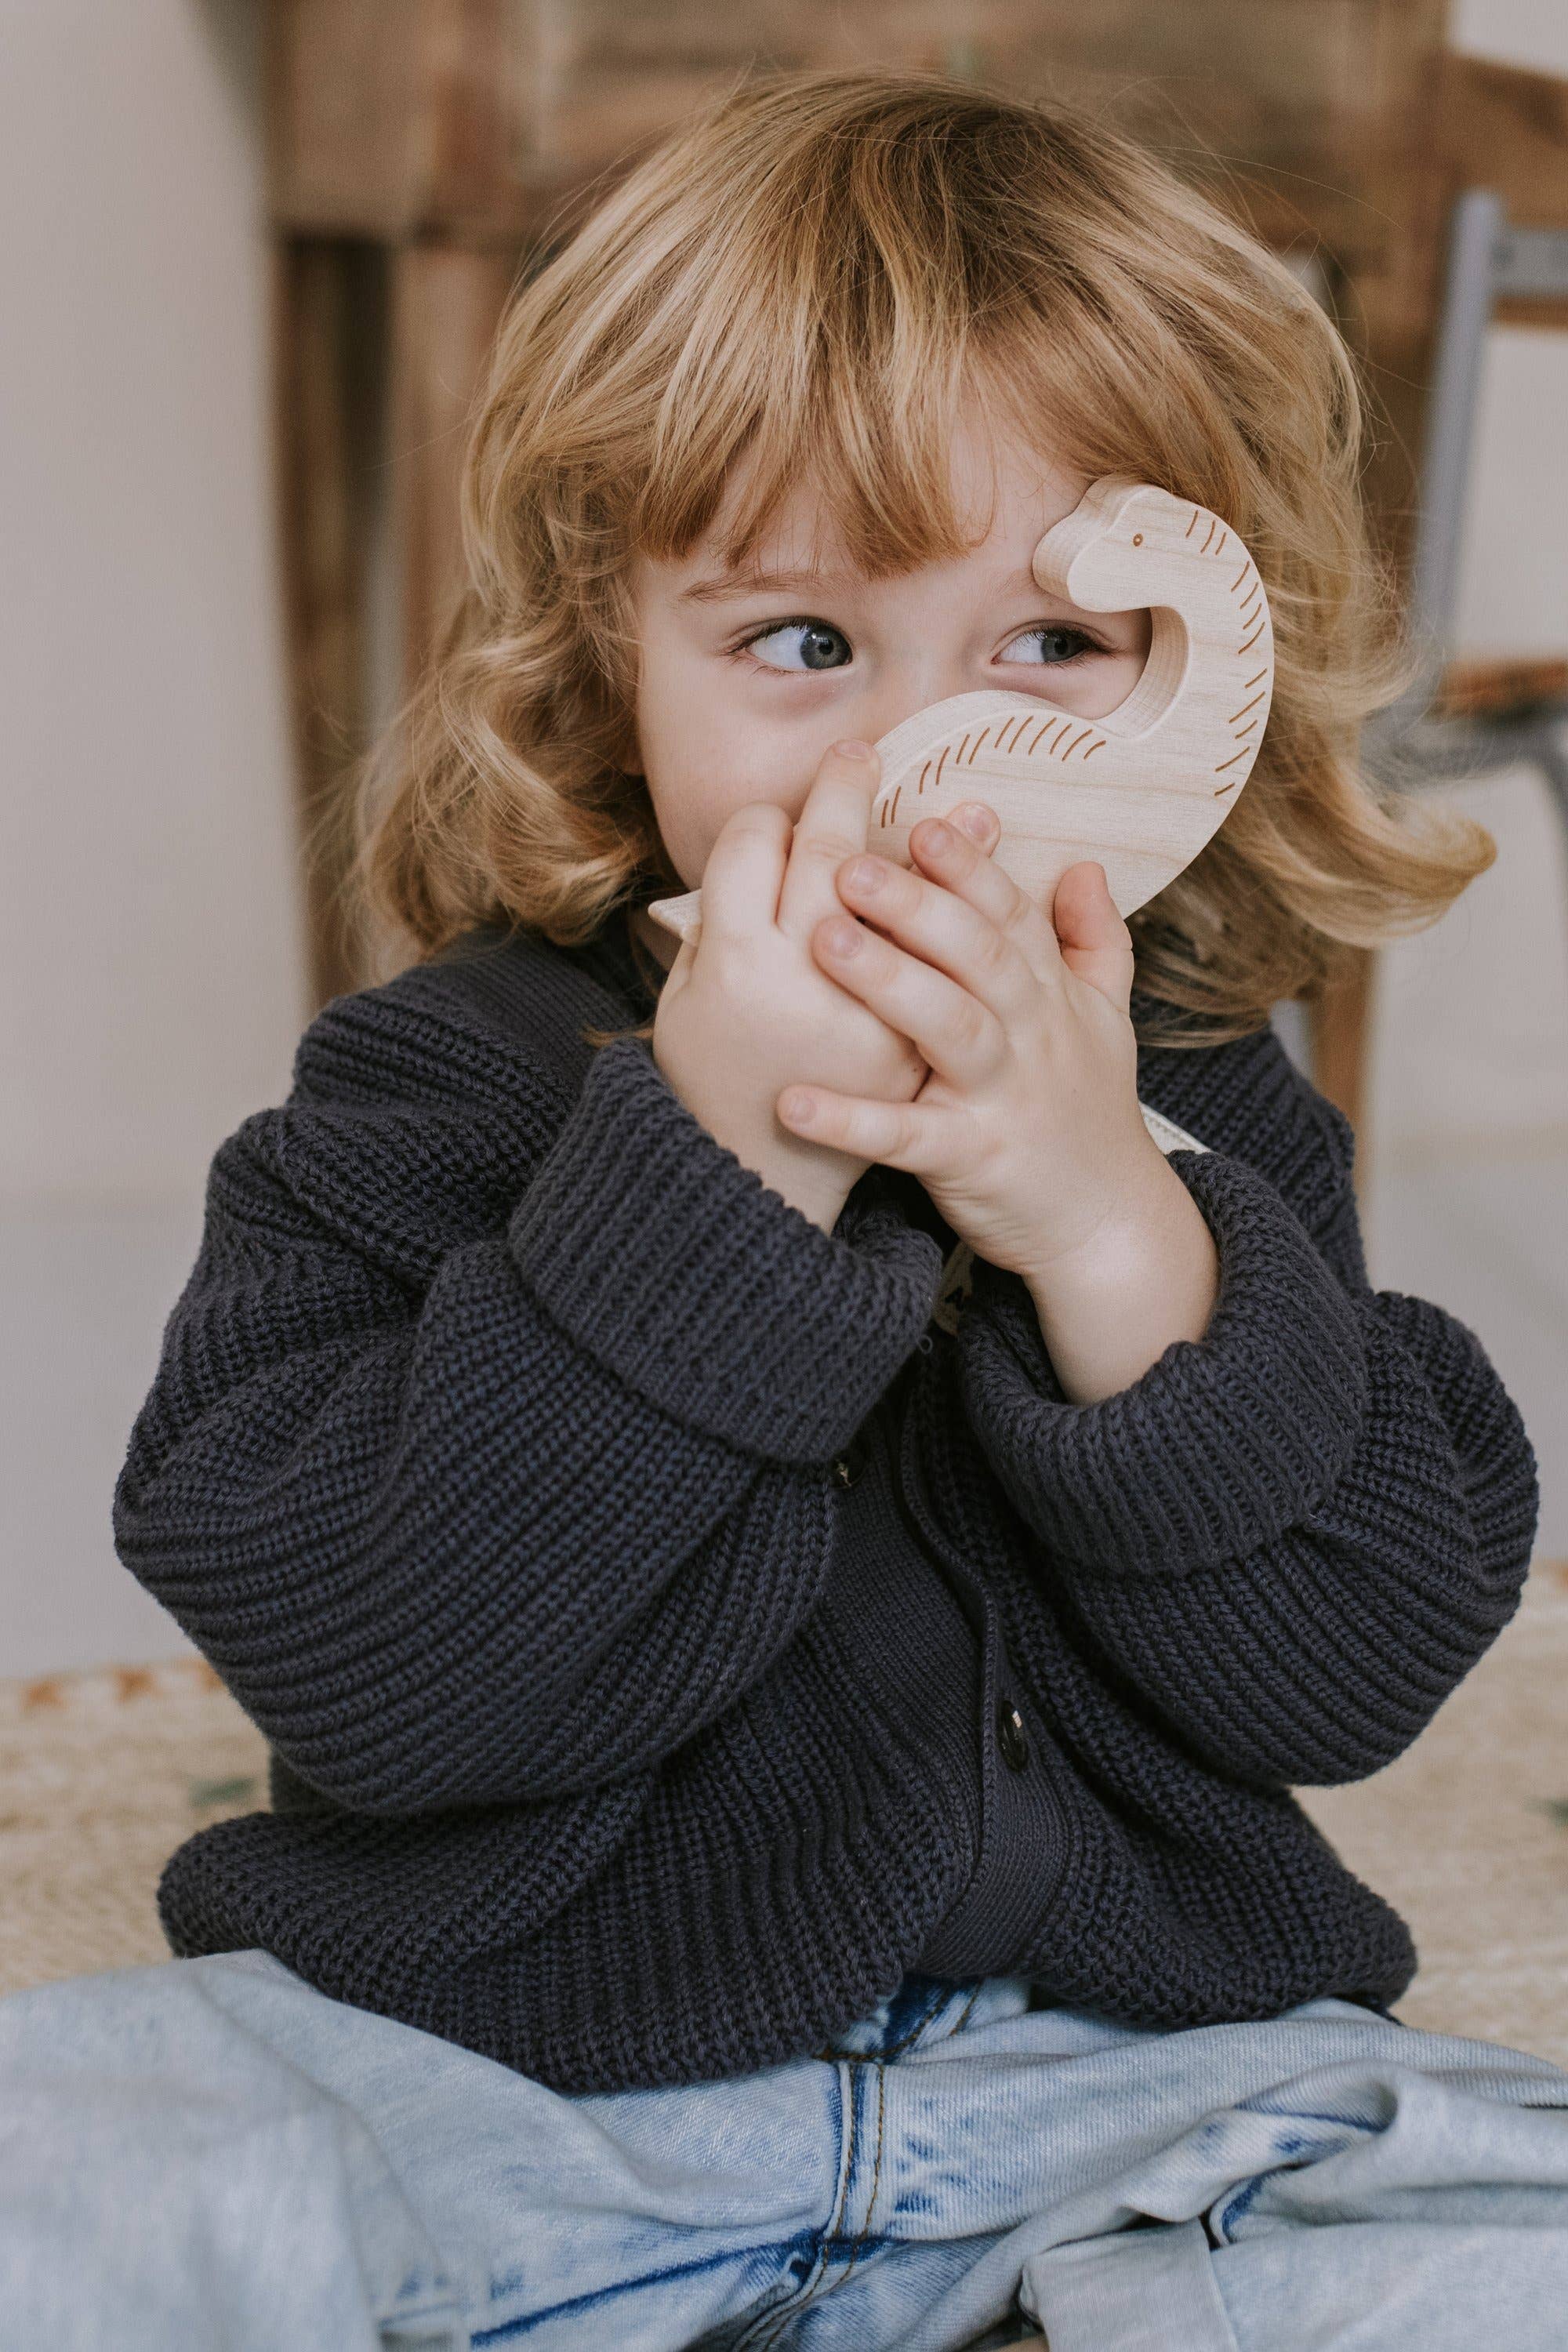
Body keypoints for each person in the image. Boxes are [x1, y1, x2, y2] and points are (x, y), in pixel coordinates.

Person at [2, 64, 1565, 2352]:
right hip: (503, 2087)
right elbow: (368, 1672)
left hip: (1126, 2103)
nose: (919, 775)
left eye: (1050, 651)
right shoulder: (435, 1089)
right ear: (607, 655)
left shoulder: (1204, 1107)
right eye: (808, 647)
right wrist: (721, 1183)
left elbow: (1358, 1666)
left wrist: (1119, 1235)